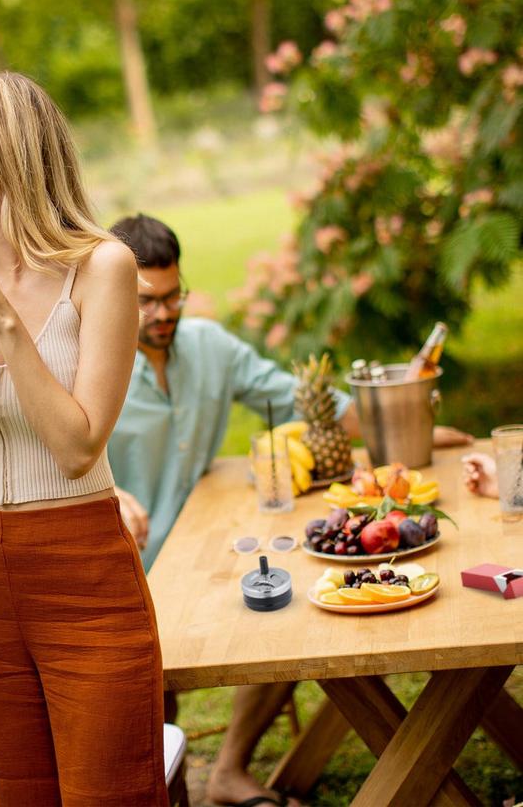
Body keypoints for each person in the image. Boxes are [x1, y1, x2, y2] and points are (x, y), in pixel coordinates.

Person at [106, 213, 473, 807]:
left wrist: (410, 428)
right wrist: (108, 492)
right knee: (153, 681)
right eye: (147, 301)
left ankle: (227, 770)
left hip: (207, 551)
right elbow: (56, 448)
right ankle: (165, 792)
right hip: (128, 566)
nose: (164, 314)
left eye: (174, 296)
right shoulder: (90, 360)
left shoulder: (209, 347)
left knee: (283, 604)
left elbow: (307, 398)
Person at [0, 72, 168, 806]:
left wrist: (2, 317)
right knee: (20, 794)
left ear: (7, 138)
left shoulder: (102, 266)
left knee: (111, 792)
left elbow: (77, 446)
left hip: (84, 569)